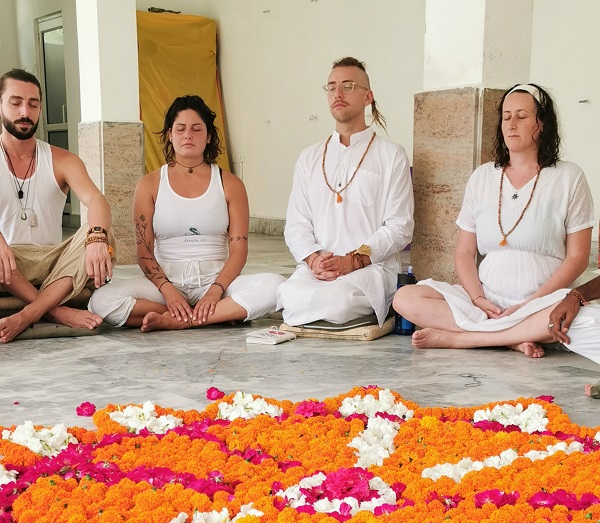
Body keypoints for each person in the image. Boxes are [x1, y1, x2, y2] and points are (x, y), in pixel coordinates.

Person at [393, 83, 594, 358]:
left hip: (543, 301)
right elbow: (464, 252)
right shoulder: (482, 177)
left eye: (522, 116)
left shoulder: (569, 177)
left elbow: (578, 259)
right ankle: (512, 338)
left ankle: (467, 338)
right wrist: (477, 299)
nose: (511, 124)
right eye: (506, 116)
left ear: (542, 124)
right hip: (489, 301)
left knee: (567, 317)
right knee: (405, 298)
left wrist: (530, 304)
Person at [89, 95, 284, 331]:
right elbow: (144, 252)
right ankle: (213, 315)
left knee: (277, 287)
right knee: (101, 301)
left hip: (217, 280)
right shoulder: (150, 184)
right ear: (170, 135)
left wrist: (215, 291)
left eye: (196, 129)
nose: (188, 135)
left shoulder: (230, 183)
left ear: (209, 135)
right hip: (166, 281)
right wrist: (169, 292)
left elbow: (238, 250)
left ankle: (180, 319)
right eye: (180, 129)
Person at [276, 56, 414, 327]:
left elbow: (400, 227)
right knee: (287, 295)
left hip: (369, 268)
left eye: (348, 86)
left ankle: (330, 305)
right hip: (320, 269)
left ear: (368, 97)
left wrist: (352, 261)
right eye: (331, 87)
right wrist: (314, 260)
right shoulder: (309, 157)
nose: (338, 94)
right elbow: (296, 224)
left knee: (340, 301)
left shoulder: (391, 155)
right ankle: (318, 299)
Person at [0, 68, 113, 343]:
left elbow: (97, 200)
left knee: (104, 233)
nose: (25, 111)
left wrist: (96, 237)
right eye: (15, 103)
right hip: (7, 266)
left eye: (33, 104)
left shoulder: (63, 160)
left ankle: (29, 313)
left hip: (55, 265)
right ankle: (56, 311)